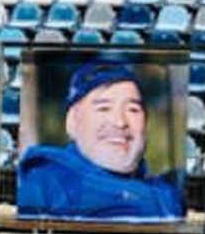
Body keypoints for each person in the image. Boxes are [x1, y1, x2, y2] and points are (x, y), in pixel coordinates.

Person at [17, 62, 184, 221]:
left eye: (133, 110)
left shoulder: (168, 191)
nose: (120, 122)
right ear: (72, 122)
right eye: (103, 108)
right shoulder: (47, 181)